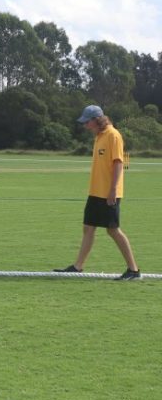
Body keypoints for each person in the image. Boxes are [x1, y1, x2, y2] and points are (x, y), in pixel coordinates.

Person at [54, 104, 140, 280]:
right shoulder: (99, 136)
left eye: (87, 122)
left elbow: (118, 163)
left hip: (109, 193)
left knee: (113, 230)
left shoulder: (113, 135)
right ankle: (77, 267)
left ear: (97, 120)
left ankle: (133, 270)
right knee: (88, 228)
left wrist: (113, 191)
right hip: (95, 192)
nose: (85, 125)